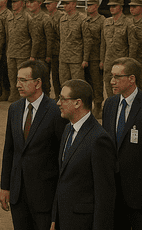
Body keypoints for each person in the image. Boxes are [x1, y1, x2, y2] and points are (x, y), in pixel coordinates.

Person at [0, 60, 66, 230]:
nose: (17, 85)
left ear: (38, 83)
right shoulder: (14, 109)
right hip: (18, 194)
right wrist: (5, 187)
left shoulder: (56, 111)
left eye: (23, 80)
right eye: (17, 79)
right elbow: (9, 150)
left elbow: (63, 157)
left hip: (45, 196)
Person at [102, 57, 142, 230]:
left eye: (117, 77)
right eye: (111, 76)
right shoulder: (109, 104)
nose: (112, 81)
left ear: (132, 79)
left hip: (140, 196)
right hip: (113, 194)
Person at [51, 79, 115, 230]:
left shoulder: (99, 139)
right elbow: (62, 178)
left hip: (83, 223)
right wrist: (55, 217)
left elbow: (104, 193)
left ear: (77, 103)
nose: (58, 103)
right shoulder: (68, 129)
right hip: (64, 219)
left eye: (62, 99)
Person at [100, 0, 129, 117]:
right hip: (108, 62)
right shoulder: (106, 22)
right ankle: (112, 111)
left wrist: (129, 63)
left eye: (114, 6)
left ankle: (123, 112)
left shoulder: (128, 23)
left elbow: (131, 44)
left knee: (122, 88)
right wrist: (102, 60)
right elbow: (103, 43)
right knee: (109, 87)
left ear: (121, 7)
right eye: (110, 6)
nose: (111, 8)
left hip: (122, 63)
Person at [5, 0, 33, 103]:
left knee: (23, 78)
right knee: (12, 76)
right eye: (12, 2)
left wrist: (32, 55)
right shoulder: (10, 17)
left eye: (16, 2)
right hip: (11, 52)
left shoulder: (28, 18)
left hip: (23, 53)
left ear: (22, 3)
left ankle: (24, 98)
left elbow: (34, 38)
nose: (13, 4)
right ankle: (14, 95)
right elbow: (8, 36)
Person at [58, 0, 89, 82]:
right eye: (63, 3)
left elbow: (87, 41)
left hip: (76, 60)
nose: (64, 6)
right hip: (63, 59)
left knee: (77, 85)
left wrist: (85, 59)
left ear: (74, 4)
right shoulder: (62, 19)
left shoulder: (82, 19)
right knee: (64, 84)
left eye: (67, 3)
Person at [83, 0, 105, 118]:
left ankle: (98, 106)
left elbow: (103, 42)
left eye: (91, 5)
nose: (88, 7)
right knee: (88, 82)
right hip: (86, 57)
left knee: (97, 83)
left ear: (96, 6)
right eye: (87, 5)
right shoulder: (85, 20)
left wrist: (102, 59)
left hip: (96, 56)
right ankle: (89, 106)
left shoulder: (102, 20)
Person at [44, 0, 64, 98]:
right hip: (49, 50)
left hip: (57, 50)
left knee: (57, 77)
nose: (47, 5)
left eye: (49, 3)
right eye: (46, 4)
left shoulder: (60, 17)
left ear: (55, 4)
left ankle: (59, 96)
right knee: (48, 76)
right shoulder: (47, 16)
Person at [0, 0, 12, 101]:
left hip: (4, 46)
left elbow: (7, 33)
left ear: (5, 1)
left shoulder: (8, 14)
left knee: (5, 71)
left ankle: (6, 91)